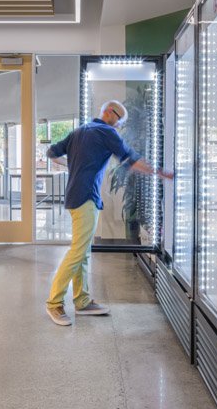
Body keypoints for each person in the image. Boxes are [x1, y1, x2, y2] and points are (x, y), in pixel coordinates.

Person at [44, 100, 173, 326]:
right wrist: (160, 173)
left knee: (82, 252)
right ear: (108, 112)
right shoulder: (106, 131)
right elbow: (131, 160)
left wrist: (72, 166)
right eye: (120, 119)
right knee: (77, 252)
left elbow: (51, 152)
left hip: (75, 197)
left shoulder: (79, 131)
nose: (120, 125)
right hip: (86, 198)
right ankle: (54, 303)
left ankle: (82, 301)